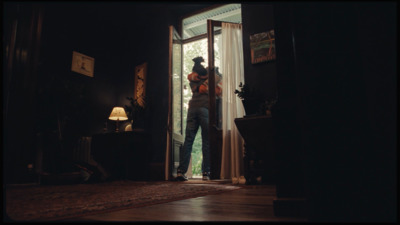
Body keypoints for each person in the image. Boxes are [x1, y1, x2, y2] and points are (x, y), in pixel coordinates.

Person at [176, 57, 222, 181]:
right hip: (204, 109)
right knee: (206, 141)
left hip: (192, 109)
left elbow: (211, 90)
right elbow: (218, 92)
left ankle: (180, 171)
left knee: (188, 140)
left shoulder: (194, 78)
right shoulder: (212, 78)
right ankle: (206, 172)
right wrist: (211, 88)